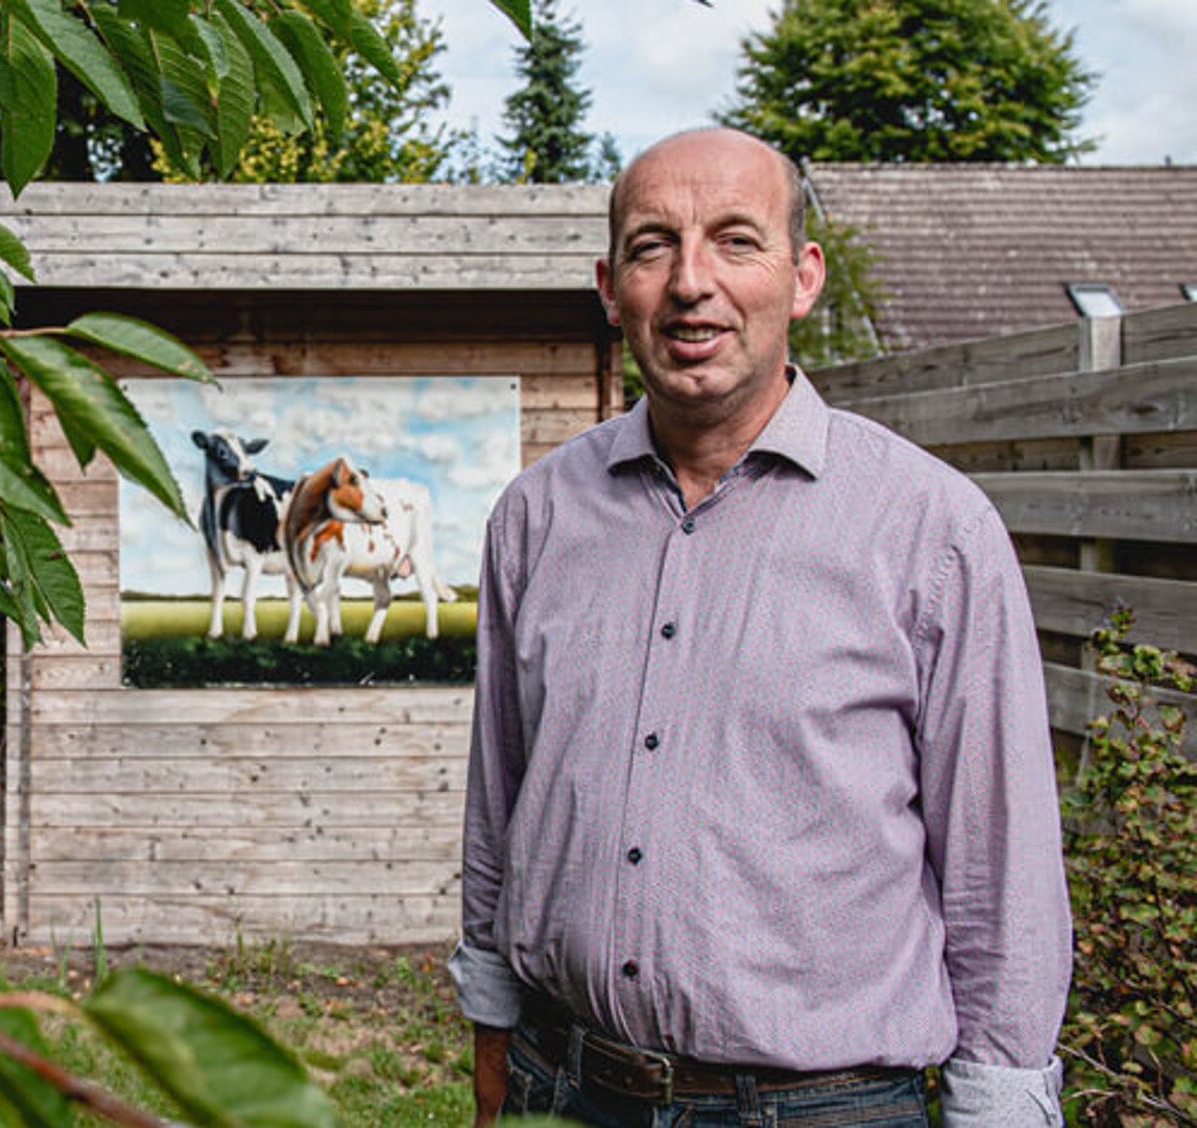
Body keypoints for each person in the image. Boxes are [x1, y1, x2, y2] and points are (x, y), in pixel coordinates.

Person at [452, 127, 1072, 1128]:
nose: (691, 282)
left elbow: (1001, 875)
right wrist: (490, 1031)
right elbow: (501, 795)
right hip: (561, 1085)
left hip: (828, 1108)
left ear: (802, 278)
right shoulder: (535, 516)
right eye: (654, 246)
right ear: (612, 289)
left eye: (737, 242)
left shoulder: (933, 532)